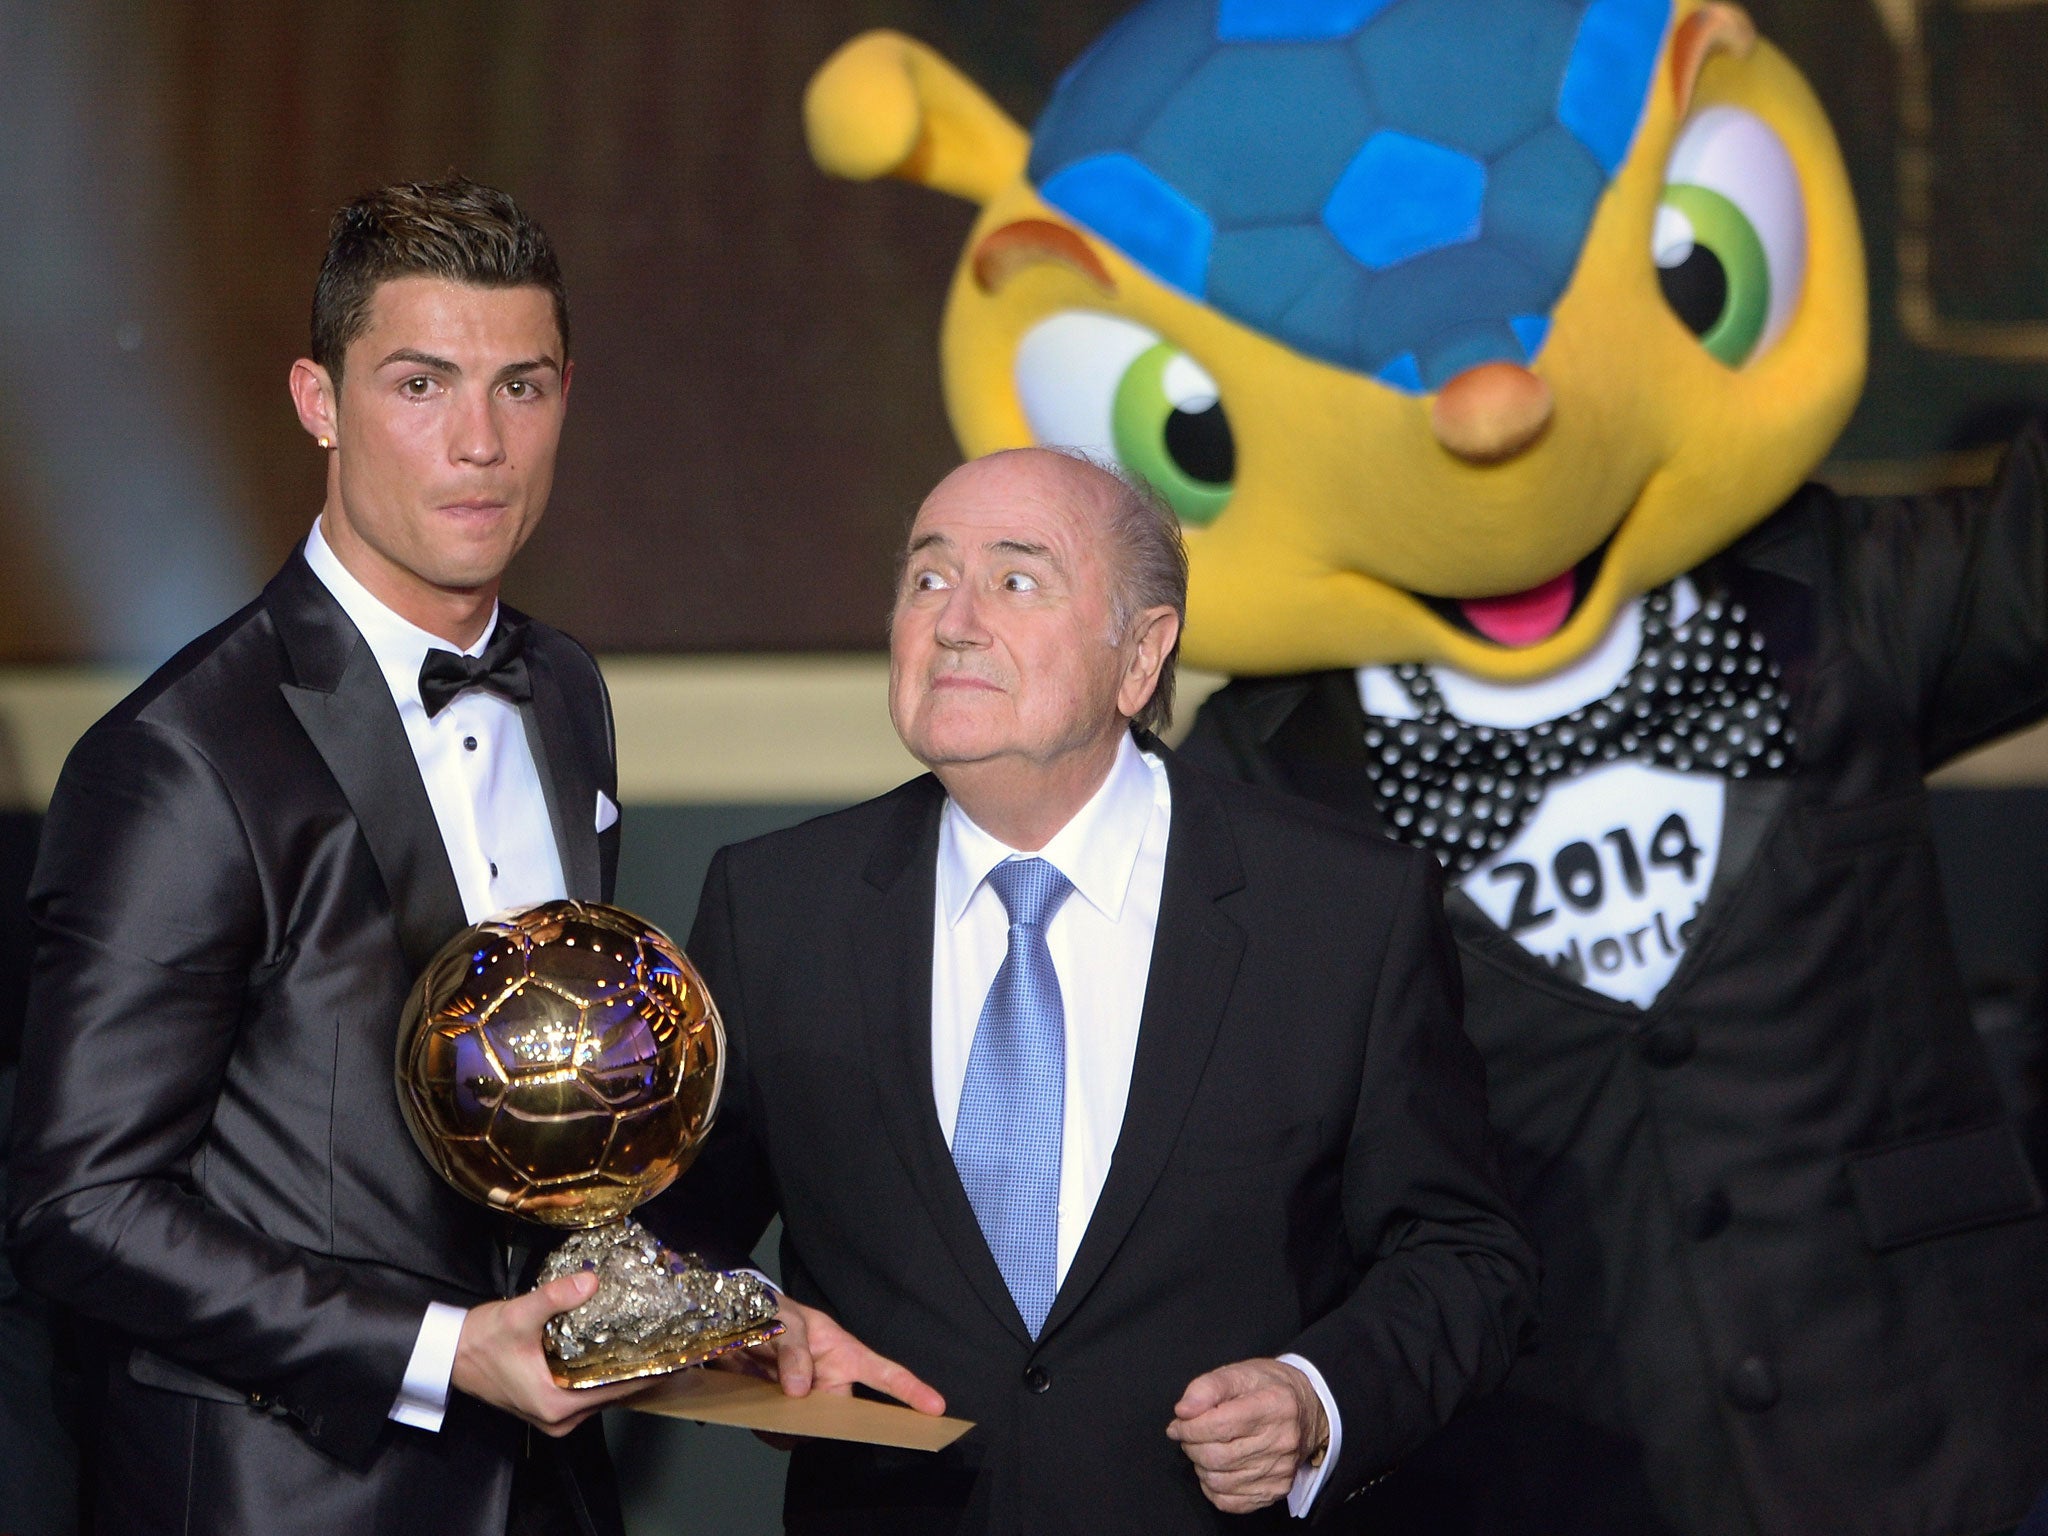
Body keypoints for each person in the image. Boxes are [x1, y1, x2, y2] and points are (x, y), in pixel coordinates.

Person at [654, 446, 1539, 1531]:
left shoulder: (1341, 911)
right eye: (926, 578)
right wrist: (748, 1336)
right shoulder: (777, 906)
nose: (954, 620)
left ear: (1140, 655)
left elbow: (1461, 1256)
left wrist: (1315, 1399)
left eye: (1016, 580)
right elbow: (672, 1227)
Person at [6, 177, 638, 1535]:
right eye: (423, 384)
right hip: (280, 1495)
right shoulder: (182, 755)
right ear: (318, 401)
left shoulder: (568, 693)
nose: (480, 442)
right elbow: (84, 1203)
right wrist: (444, 1347)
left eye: (521, 388)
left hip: (548, 1491)